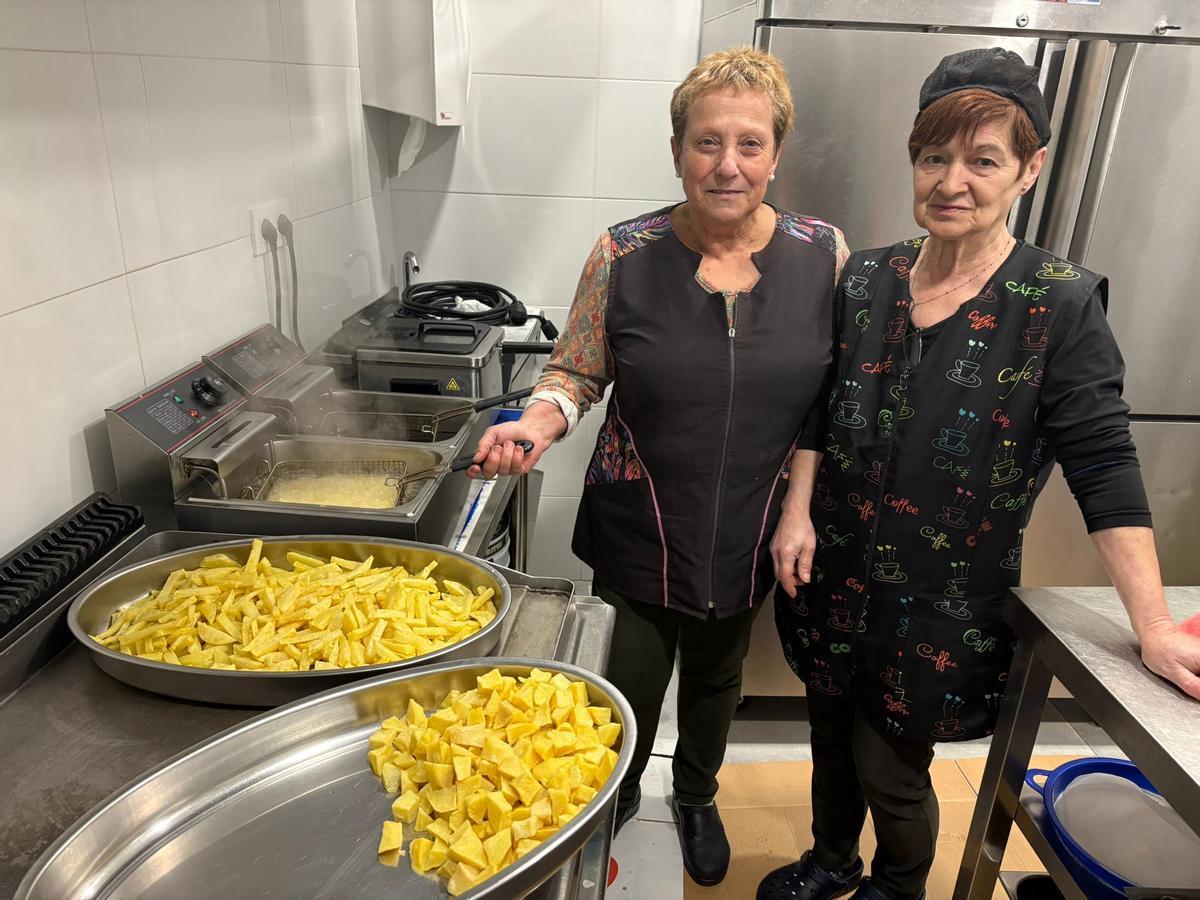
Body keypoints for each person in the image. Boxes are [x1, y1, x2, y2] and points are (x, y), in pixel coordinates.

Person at [759, 48, 1200, 900]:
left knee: (891, 765)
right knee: (827, 732)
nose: (952, 180)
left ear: (1029, 170)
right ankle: (832, 861)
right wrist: (797, 510)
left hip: (939, 601)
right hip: (830, 572)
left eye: (983, 159)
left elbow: (1105, 465)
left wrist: (1150, 623)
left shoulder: (1059, 304)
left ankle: (895, 884)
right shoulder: (867, 277)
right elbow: (819, 407)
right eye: (935, 157)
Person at [468, 46, 849, 887]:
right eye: (707, 142)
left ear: (776, 154)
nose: (727, 165)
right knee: (630, 677)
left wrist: (801, 508)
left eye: (750, 144)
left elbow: (829, 394)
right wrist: (539, 419)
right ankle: (619, 791)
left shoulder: (822, 254)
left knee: (717, 676)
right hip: (639, 516)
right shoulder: (625, 251)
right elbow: (576, 368)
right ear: (678, 150)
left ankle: (698, 793)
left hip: (754, 516)